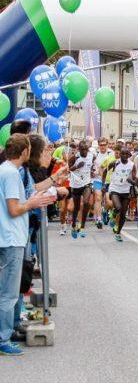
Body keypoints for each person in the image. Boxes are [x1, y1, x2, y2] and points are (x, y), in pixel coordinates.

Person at [0, 134, 56, 356]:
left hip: (11, 236)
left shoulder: (8, 170)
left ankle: (12, 328)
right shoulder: (11, 173)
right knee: (9, 293)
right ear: (24, 152)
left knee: (12, 291)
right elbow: (14, 209)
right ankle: (3, 338)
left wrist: (34, 198)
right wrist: (32, 203)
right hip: (10, 238)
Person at [105, 147, 134, 242]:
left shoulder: (132, 165)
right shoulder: (115, 163)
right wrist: (103, 184)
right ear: (120, 154)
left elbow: (134, 177)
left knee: (123, 214)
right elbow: (105, 171)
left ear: (129, 155)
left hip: (126, 190)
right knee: (118, 207)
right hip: (115, 188)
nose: (124, 156)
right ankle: (113, 215)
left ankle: (118, 233)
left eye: (126, 154)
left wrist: (132, 181)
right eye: (122, 154)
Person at [68, 140, 95, 238]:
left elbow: (92, 166)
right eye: (82, 150)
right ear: (79, 150)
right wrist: (76, 166)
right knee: (76, 207)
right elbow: (68, 170)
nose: (84, 152)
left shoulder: (92, 156)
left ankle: (82, 226)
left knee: (87, 202)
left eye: (86, 150)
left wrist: (92, 171)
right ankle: (74, 225)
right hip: (76, 184)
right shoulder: (74, 157)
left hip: (87, 183)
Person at [91, 137, 113, 229]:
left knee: (109, 202)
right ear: (98, 145)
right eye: (101, 145)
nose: (102, 146)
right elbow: (91, 167)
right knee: (98, 197)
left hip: (109, 180)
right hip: (98, 180)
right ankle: (99, 220)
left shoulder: (111, 153)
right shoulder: (95, 154)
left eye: (104, 145)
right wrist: (93, 172)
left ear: (107, 145)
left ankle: (105, 210)